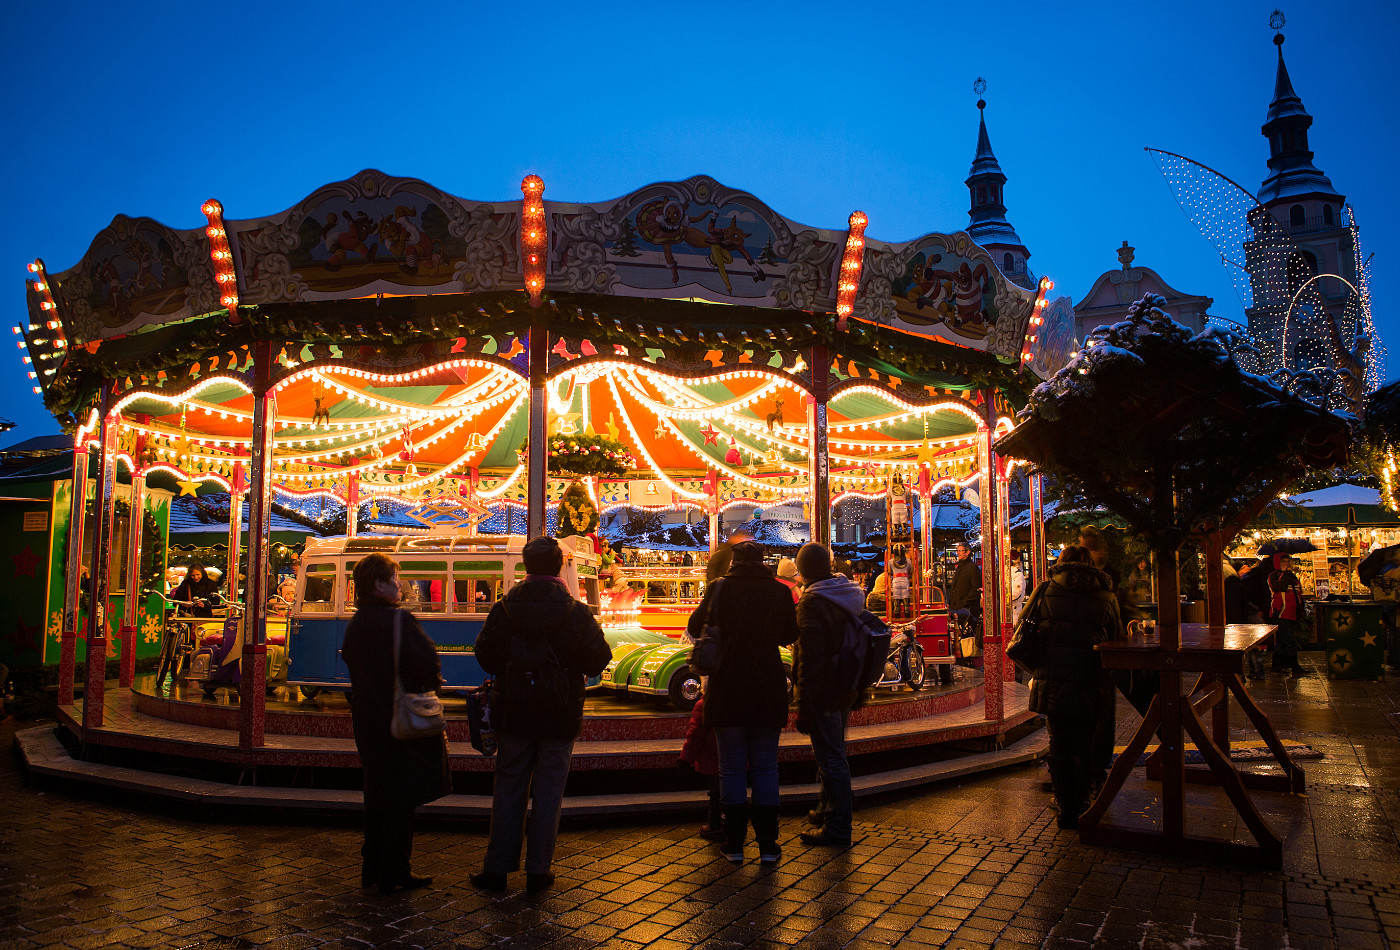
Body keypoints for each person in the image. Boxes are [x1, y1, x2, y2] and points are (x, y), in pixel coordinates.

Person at [471, 537, 611, 893]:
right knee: (549, 790)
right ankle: (538, 870)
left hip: (514, 709)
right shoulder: (576, 612)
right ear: (559, 566)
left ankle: (497, 868)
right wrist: (567, 667)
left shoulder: (505, 608)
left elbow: (485, 655)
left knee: (508, 787)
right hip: (559, 711)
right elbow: (599, 658)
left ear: (525, 565)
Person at [340, 552, 450, 894]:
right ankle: (395, 868)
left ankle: (371, 866)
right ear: (379, 584)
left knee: (376, 791)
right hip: (396, 718)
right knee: (401, 796)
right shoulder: (399, 621)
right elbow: (426, 663)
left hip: (367, 718)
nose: (399, 584)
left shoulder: (356, 623)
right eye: (394, 578)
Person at [687, 540, 799, 864]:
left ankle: (734, 843)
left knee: (731, 769)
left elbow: (695, 627)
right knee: (765, 768)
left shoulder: (719, 589)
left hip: (727, 687)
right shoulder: (778, 591)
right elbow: (789, 634)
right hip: (766, 686)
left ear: (733, 561)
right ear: (764, 561)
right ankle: (768, 845)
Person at [1020, 545, 1124, 829]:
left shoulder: (1045, 590)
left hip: (1053, 677)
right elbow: (1117, 639)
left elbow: (1023, 629)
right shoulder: (1106, 595)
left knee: (1059, 743)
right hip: (1092, 680)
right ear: (1091, 563)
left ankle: (1066, 807)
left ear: (1061, 563)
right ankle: (1082, 803)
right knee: (1085, 742)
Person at [792, 542, 866, 848]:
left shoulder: (812, 603)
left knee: (831, 757)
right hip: (846, 685)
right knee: (832, 752)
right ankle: (825, 810)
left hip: (823, 690)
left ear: (804, 570)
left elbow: (810, 657)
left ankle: (838, 825)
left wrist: (803, 703)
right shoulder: (847, 595)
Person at [678, 693, 723, 841]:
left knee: (715, 795)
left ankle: (715, 826)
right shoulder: (738, 700)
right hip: (735, 757)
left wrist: (685, 758)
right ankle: (734, 826)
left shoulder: (704, 705)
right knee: (732, 792)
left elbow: (696, 734)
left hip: (712, 759)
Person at [1268, 554, 1310, 677]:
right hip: (1280, 614)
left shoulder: (1292, 577)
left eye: (1287, 561)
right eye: (1283, 561)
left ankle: (1277, 665)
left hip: (1292, 614)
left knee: (1282, 641)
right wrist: (1285, 574)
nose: (1286, 563)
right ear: (1277, 563)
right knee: (1288, 640)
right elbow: (1279, 587)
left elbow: (1298, 592)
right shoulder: (1274, 576)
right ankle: (1294, 666)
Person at [948, 543, 981, 648]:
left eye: (960, 551)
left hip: (967, 609)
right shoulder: (960, 567)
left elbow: (975, 588)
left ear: (967, 552)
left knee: (968, 635)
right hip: (957, 607)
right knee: (958, 634)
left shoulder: (972, 567)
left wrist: (964, 602)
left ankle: (969, 658)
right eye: (957, 551)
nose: (958, 553)